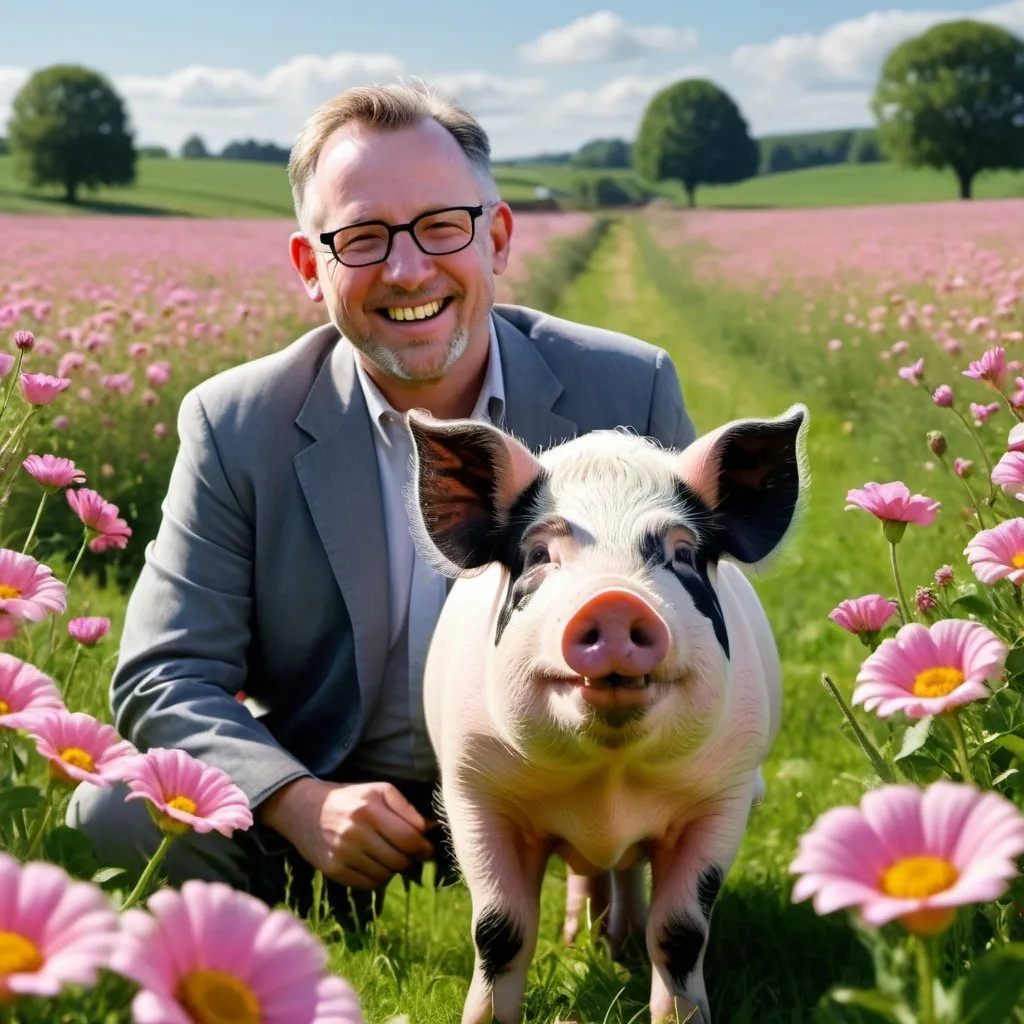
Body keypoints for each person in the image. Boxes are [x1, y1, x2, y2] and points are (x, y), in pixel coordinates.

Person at [68, 81, 697, 925]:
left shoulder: (627, 389)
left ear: (498, 238)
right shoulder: (237, 422)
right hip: (342, 783)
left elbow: (706, 642)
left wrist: (604, 821)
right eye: (361, 238)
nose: (408, 271)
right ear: (309, 267)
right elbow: (165, 671)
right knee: (112, 814)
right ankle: (284, 911)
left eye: (443, 225)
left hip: (566, 782)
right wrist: (297, 800)